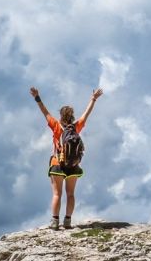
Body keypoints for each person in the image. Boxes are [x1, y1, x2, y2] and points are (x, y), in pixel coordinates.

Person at [30, 85, 103, 229]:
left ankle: (55, 221)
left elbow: (44, 112)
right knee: (71, 194)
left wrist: (37, 97)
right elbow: (86, 114)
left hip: (58, 163)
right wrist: (93, 99)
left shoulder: (56, 126)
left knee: (57, 194)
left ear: (61, 116)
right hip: (73, 165)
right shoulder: (76, 127)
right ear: (72, 116)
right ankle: (68, 221)